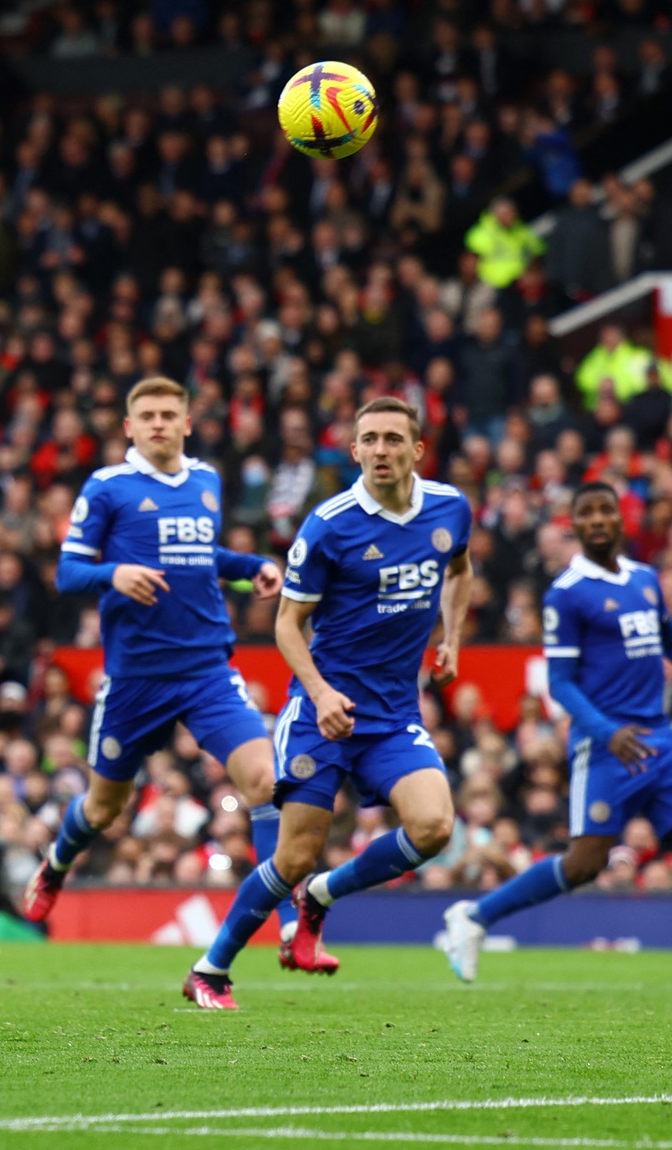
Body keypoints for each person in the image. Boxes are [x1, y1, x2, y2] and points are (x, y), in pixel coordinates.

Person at [185, 397, 473, 1010]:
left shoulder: (450, 508)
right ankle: (210, 969)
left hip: (394, 715)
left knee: (433, 827)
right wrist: (319, 693)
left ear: (417, 449)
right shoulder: (329, 524)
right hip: (323, 713)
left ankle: (321, 896)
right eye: (369, 439)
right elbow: (287, 624)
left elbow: (461, 569)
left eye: (394, 439)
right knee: (292, 856)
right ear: (355, 451)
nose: (381, 450)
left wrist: (450, 638)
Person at [441, 482, 672, 1000]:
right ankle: (475, 915)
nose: (597, 520)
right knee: (584, 863)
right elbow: (561, 684)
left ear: (620, 519)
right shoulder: (567, 593)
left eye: (606, 511)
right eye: (586, 513)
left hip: (659, 737)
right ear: (574, 525)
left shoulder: (644, 578)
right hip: (607, 744)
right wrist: (606, 731)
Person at [26, 378, 302, 958]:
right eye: (146, 415)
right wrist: (113, 574)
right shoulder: (107, 487)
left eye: (167, 414)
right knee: (104, 808)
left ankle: (286, 918)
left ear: (186, 423)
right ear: (128, 426)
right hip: (135, 679)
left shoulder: (206, 480)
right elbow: (68, 573)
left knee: (264, 780)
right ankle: (55, 865)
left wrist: (251, 566)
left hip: (206, 669)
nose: (157, 423)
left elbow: (203, 558)